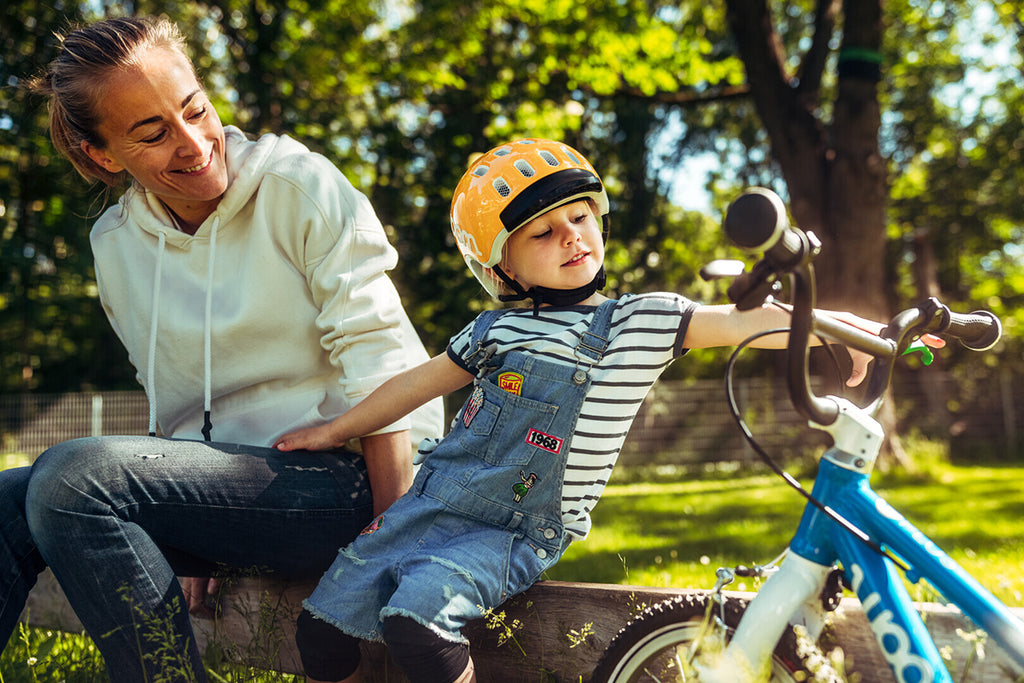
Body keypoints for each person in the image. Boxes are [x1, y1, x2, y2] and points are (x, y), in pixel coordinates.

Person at [272, 138, 900, 683]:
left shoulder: (641, 321)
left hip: (515, 530)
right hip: (429, 504)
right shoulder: (493, 331)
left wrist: (852, 330)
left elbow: (755, 320)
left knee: (417, 624)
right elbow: (414, 386)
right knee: (319, 630)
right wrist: (336, 429)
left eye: (580, 217)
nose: (572, 234)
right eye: (543, 232)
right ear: (502, 267)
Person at [0, 15, 443, 681]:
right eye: (152, 133)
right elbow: (167, 388)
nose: (193, 143)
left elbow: (379, 356)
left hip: (357, 477)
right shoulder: (116, 243)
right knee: (11, 501)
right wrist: (170, 523)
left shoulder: (298, 185)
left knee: (70, 475)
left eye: (194, 109)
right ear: (102, 155)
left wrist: (394, 540)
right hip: (230, 487)